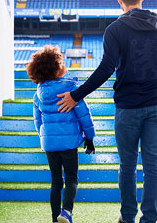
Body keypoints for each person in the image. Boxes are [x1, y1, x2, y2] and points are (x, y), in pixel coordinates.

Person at [56, 0, 157, 223]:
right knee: (152, 165)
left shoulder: (114, 30)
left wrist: (75, 95)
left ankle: (127, 218)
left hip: (127, 108)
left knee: (127, 165)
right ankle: (149, 219)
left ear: (119, 0)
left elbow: (105, 69)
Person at [27, 45, 96, 223]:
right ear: (56, 70)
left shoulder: (38, 95)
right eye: (61, 62)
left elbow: (38, 121)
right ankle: (66, 212)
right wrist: (89, 137)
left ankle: (54, 218)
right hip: (69, 143)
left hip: (49, 144)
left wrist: (45, 137)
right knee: (71, 179)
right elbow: (84, 116)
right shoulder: (71, 91)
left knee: (56, 181)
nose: (64, 64)